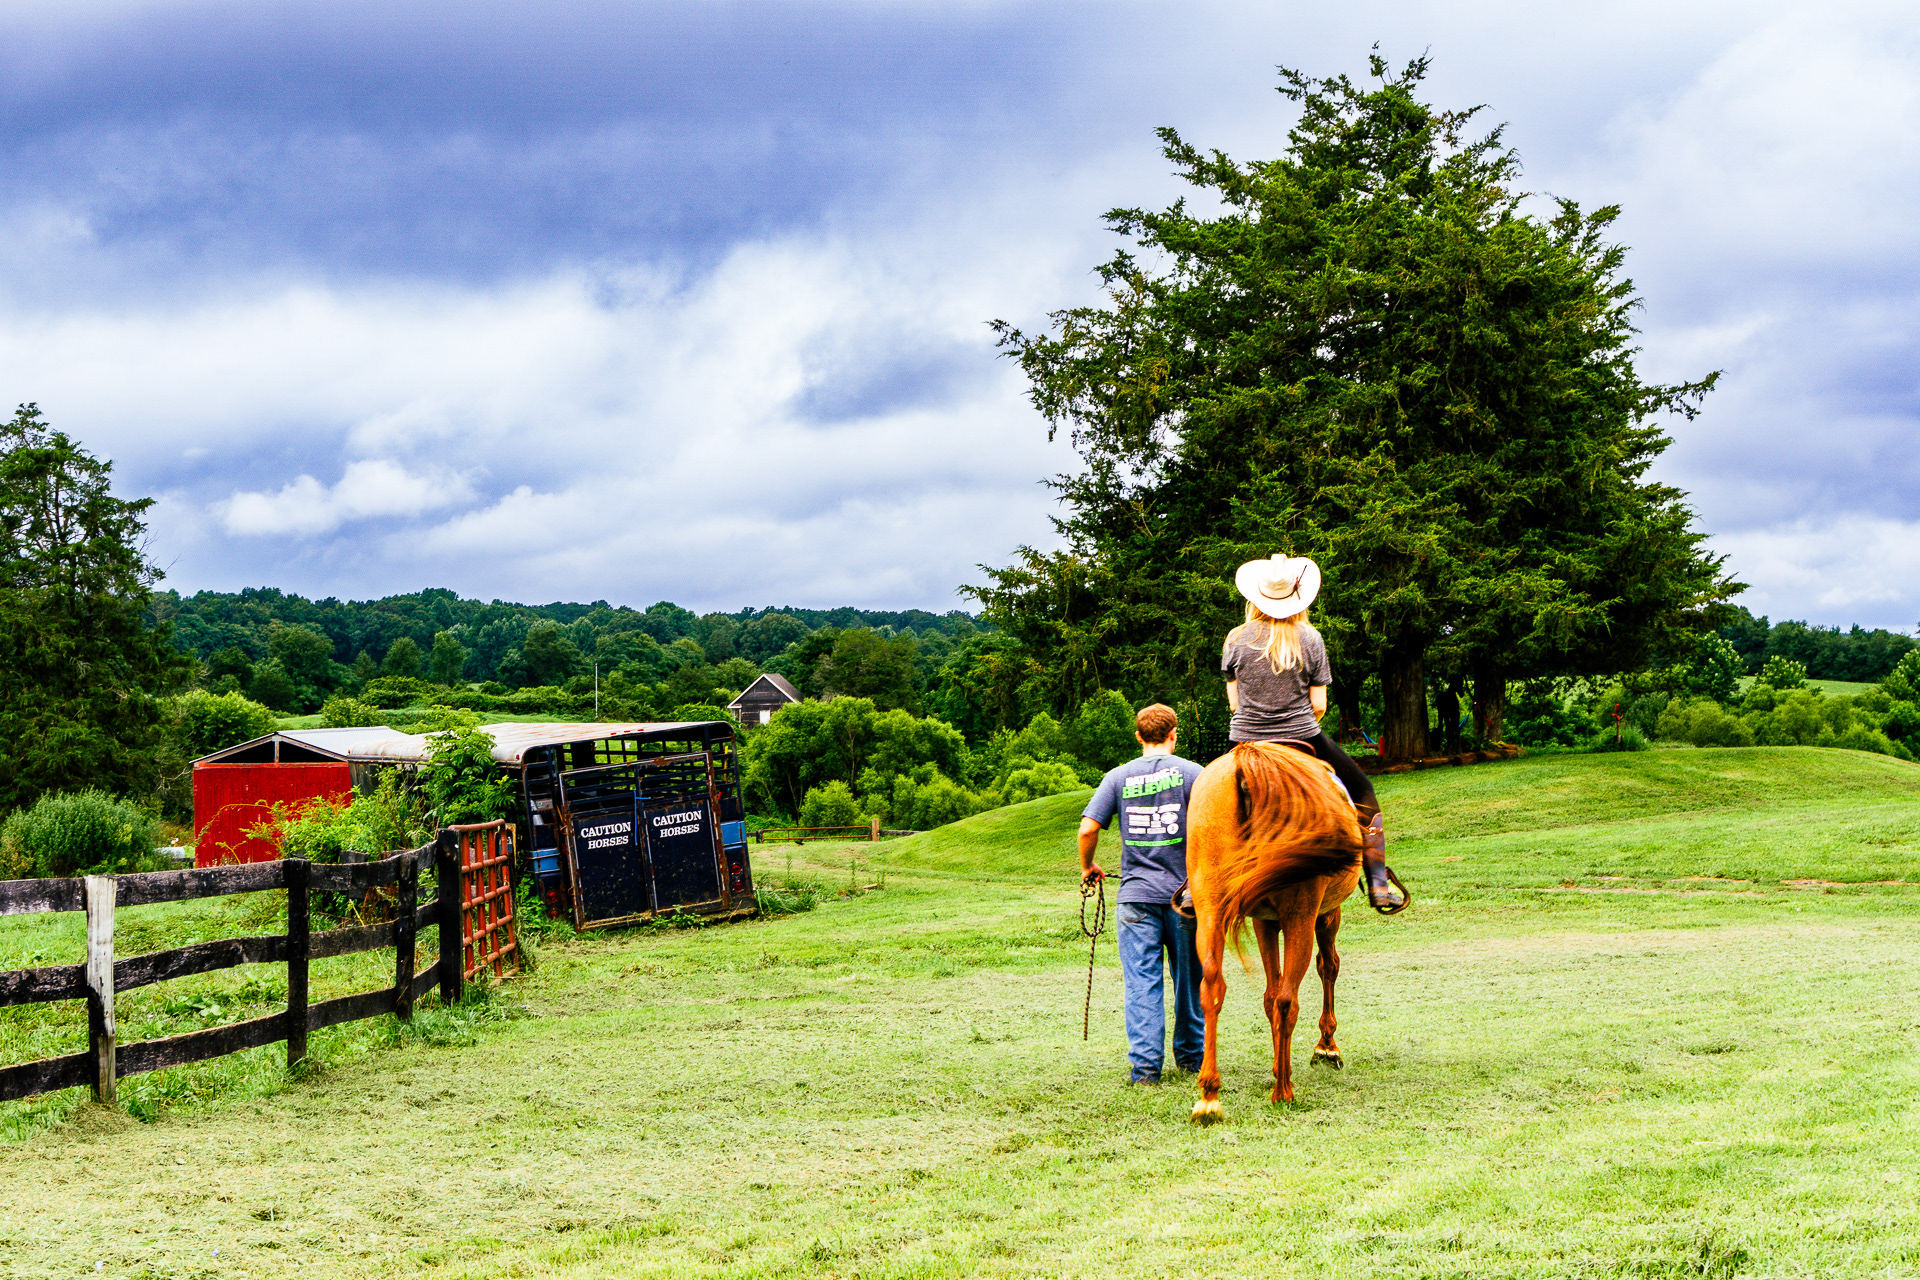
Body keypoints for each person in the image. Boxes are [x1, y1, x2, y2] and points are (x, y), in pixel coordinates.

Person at [1223, 553, 1407, 913]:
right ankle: (1378, 883)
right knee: (1363, 790)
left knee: (1208, 803)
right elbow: (1319, 705)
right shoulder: (1310, 638)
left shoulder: (1235, 639)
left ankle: (1193, 883)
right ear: (1297, 598)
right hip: (1303, 737)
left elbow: (1234, 704)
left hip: (1244, 740)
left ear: (1255, 598)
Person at [1079, 703, 1206, 1085]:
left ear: (1138, 736)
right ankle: (1190, 1059)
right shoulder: (1194, 775)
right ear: (1174, 734)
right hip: (1186, 898)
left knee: (1141, 982)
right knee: (1190, 981)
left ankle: (1146, 1069)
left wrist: (1088, 867)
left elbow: (1088, 828)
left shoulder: (1117, 777)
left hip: (1135, 897)